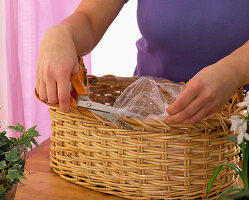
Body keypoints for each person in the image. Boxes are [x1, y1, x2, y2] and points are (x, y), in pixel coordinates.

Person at [35, 0, 249, 125]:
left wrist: (232, 72)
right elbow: (89, 19)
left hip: (239, 129)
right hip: (149, 130)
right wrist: (61, 33)